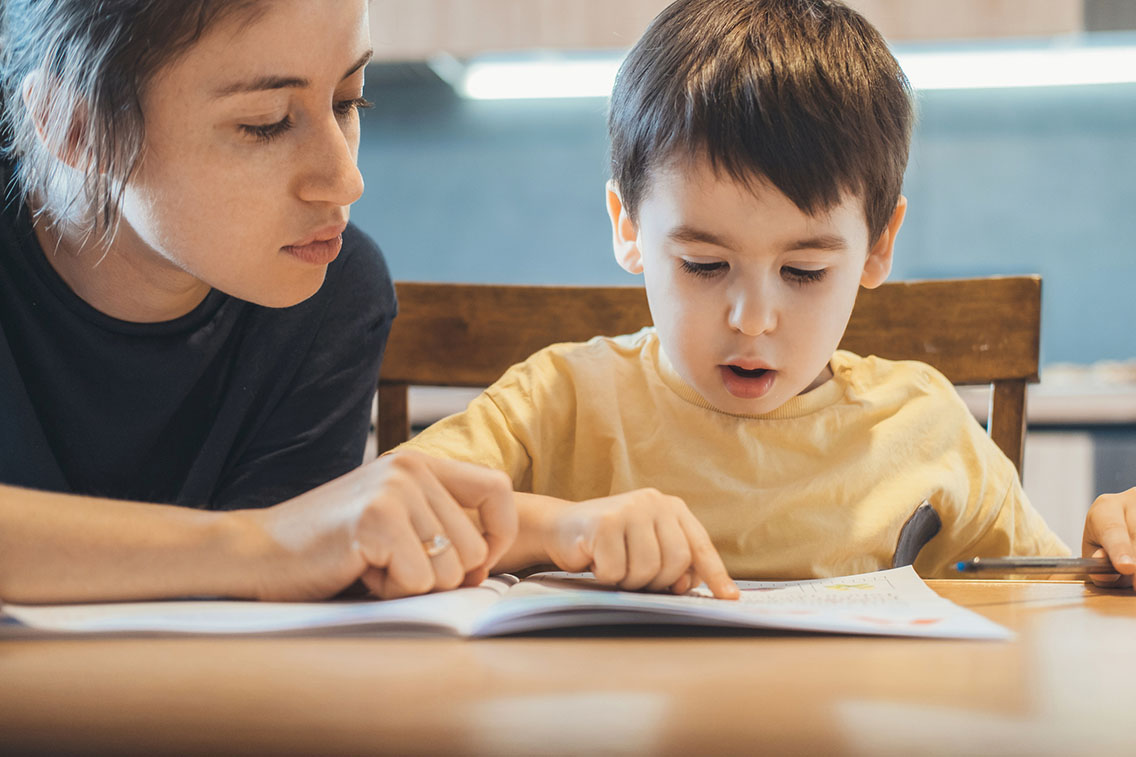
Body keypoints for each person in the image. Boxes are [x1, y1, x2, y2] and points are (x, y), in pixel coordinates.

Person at [396, 0, 1090, 599]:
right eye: (704, 264)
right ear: (628, 226)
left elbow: (1050, 605)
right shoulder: (560, 403)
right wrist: (563, 527)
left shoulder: (926, 429)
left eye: (805, 271)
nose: (752, 318)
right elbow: (387, 515)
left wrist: (1113, 555)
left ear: (879, 245)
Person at [0, 0, 515, 604]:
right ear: (73, 126)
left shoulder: (332, 291)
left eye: (349, 102)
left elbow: (265, 611)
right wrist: (260, 544)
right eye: (266, 122)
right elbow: (278, 555)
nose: (346, 180)